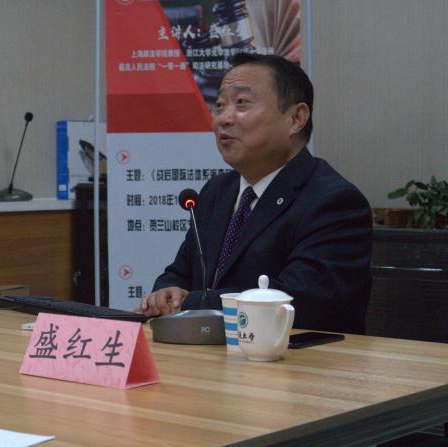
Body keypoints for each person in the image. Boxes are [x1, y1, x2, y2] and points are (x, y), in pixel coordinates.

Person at [139, 53, 372, 334]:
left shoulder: (333, 202)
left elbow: (298, 300)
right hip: (209, 349)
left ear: (296, 118)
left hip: (297, 356)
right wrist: (167, 292)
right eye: (219, 105)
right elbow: (181, 272)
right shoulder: (216, 192)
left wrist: (191, 303)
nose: (224, 119)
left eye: (241, 103)